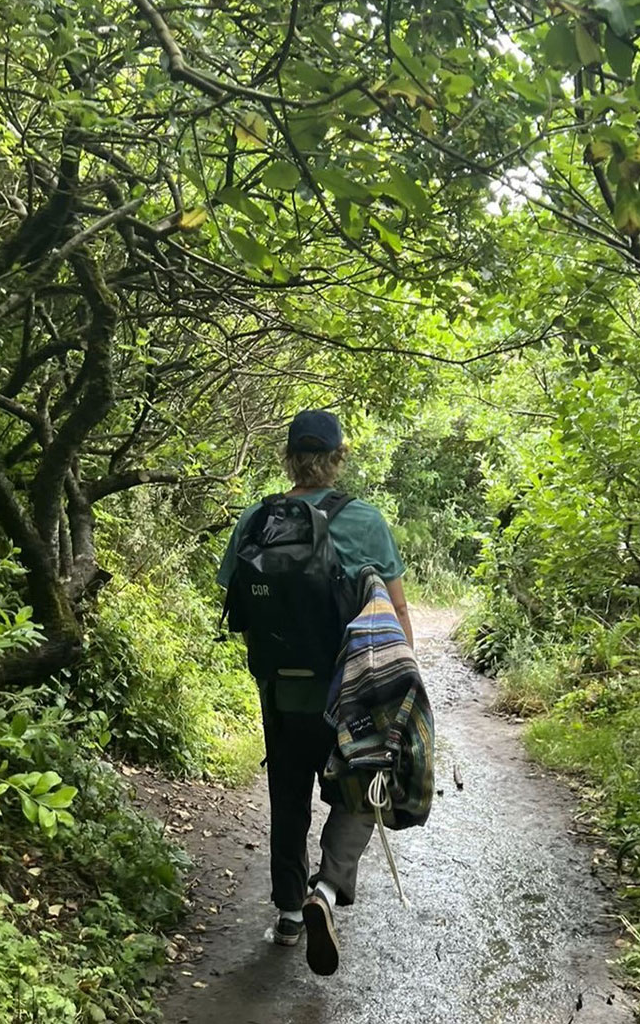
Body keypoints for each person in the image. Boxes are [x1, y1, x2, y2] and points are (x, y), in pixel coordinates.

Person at [217, 409, 414, 976]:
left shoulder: (258, 518)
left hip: (281, 691)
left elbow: (236, 599)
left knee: (287, 795)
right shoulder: (365, 522)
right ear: (337, 458)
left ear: (289, 458)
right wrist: (403, 687)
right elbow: (396, 611)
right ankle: (325, 890)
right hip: (348, 694)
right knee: (361, 787)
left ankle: (286, 913)